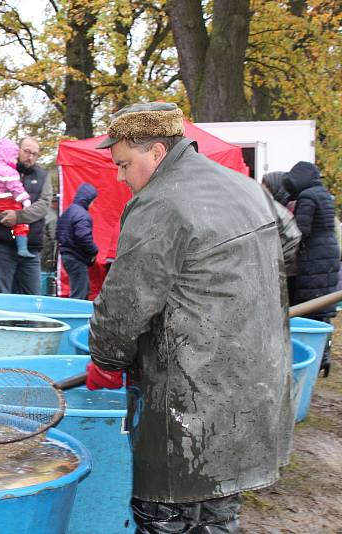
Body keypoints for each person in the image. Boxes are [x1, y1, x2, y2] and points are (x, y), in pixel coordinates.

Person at [86, 102, 292, 533]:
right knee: (218, 506)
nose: (121, 178)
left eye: (124, 164)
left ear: (157, 152)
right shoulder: (247, 187)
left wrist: (105, 360)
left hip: (187, 393)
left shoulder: (160, 203)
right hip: (254, 382)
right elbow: (289, 240)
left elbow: (124, 305)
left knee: (167, 512)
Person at [283, 161, 339, 377]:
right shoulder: (323, 193)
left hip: (314, 255)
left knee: (310, 306)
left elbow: (301, 229)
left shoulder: (307, 197)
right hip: (328, 251)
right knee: (323, 308)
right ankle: (324, 356)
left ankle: (314, 357)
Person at [0, 136, 52, 295]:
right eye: (27, 152)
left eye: (35, 154)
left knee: (34, 298)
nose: (30, 157)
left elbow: (43, 205)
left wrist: (18, 216)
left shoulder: (43, 175)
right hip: (1, 245)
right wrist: (3, 216)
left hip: (31, 246)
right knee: (2, 296)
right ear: (17, 150)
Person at [57, 183, 98, 299]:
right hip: (76, 258)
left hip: (67, 256)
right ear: (88, 199)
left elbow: (58, 233)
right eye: (93, 200)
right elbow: (83, 236)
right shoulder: (83, 215)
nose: (93, 203)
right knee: (79, 293)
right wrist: (94, 250)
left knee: (81, 288)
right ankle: (74, 316)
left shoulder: (68, 212)